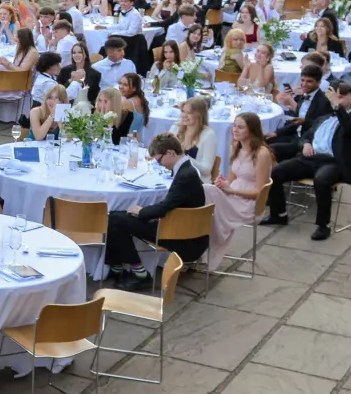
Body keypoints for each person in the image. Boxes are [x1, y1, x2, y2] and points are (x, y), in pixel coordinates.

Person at [264, 80, 351, 240]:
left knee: (322, 180)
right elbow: (306, 134)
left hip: (332, 162)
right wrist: (305, 143)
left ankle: (323, 226)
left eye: (340, 97)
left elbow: (350, 129)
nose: (336, 100)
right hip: (309, 158)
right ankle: (279, 214)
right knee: (275, 172)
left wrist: (337, 106)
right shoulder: (323, 118)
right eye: (334, 97)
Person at [105, 133, 210, 289]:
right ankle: (118, 266)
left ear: (170, 153)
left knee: (115, 219)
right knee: (115, 217)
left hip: (179, 235)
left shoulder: (185, 175)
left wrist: (141, 212)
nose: (160, 165)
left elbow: (163, 207)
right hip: (178, 226)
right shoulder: (187, 168)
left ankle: (137, 272)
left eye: (160, 160)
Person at [206, 112, 276, 258]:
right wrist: (223, 183)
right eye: (234, 126)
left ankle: (207, 250)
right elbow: (231, 179)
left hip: (248, 203)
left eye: (240, 127)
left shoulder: (262, 153)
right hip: (233, 194)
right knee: (205, 195)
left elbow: (259, 192)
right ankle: (203, 248)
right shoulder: (236, 146)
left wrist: (232, 191)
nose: (235, 130)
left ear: (251, 130)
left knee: (207, 198)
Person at [267, 64, 331, 162]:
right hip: (293, 135)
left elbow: (321, 127)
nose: (304, 84)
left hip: (305, 141)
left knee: (269, 149)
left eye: (309, 81)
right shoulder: (303, 96)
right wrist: (276, 133)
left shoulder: (324, 102)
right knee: (262, 142)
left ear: (318, 82)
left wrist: (305, 121)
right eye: (302, 80)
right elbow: (295, 122)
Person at [173, 95, 219, 177]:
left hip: (197, 182)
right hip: (173, 177)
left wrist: (184, 158)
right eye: (183, 111)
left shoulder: (208, 135)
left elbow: (206, 170)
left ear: (199, 115)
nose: (184, 115)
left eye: (189, 113)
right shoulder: (175, 128)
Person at [115, 73, 149, 142]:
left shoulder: (126, 103)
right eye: (120, 83)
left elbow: (117, 125)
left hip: (125, 141)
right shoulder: (141, 99)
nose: (120, 87)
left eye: (125, 85)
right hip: (137, 141)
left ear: (134, 88)